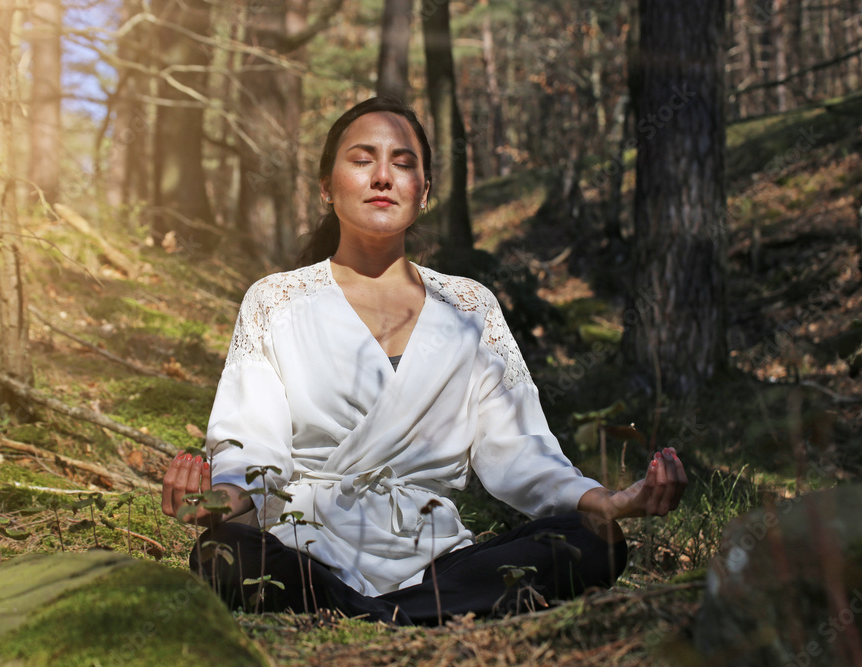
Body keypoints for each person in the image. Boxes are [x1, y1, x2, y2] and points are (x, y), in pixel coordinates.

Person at [161, 97, 687, 626]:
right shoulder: (277, 300)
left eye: (404, 163)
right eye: (363, 159)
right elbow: (253, 443)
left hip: (439, 558)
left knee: (589, 541)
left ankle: (367, 613)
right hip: (306, 552)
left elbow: (521, 451)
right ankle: (413, 614)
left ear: (425, 191)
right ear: (326, 186)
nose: (383, 177)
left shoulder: (468, 307)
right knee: (223, 554)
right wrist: (217, 503)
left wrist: (608, 503)